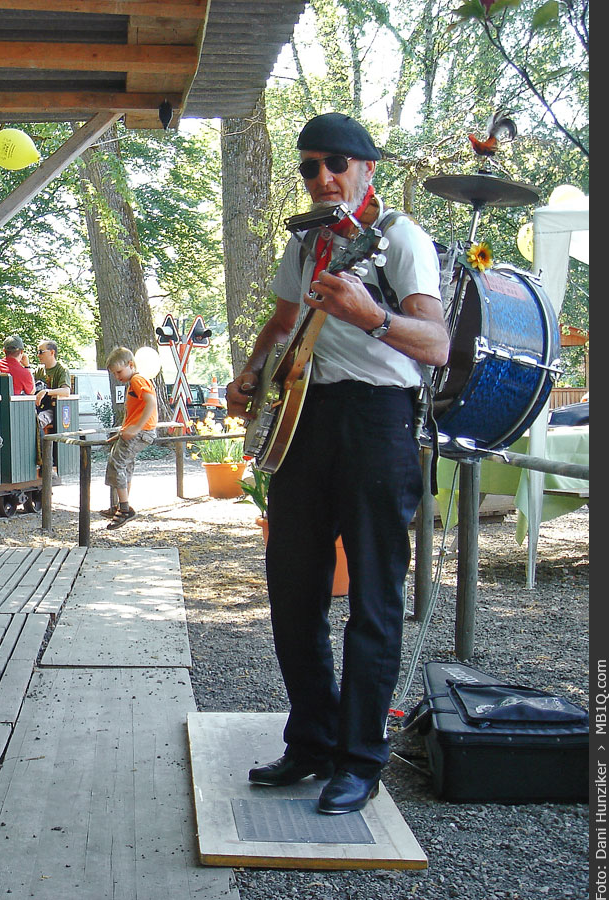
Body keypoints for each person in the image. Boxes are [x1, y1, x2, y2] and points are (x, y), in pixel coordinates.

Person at [225, 112, 449, 815]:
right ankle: (313, 741)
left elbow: (436, 343)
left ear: (367, 169)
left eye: (335, 165)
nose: (322, 179)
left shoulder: (401, 240)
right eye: (309, 167)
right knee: (293, 591)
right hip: (303, 422)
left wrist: (369, 315)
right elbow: (283, 324)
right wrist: (251, 372)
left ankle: (360, 760)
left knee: (375, 600)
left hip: (378, 423)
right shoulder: (308, 242)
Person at [101, 346, 157, 529]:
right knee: (125, 465)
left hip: (140, 432)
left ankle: (124, 509)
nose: (118, 377)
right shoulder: (135, 381)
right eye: (115, 374)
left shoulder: (137, 379)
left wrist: (136, 428)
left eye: (119, 372)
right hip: (136, 431)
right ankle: (121, 505)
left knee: (116, 463)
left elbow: (151, 402)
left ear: (130, 364)